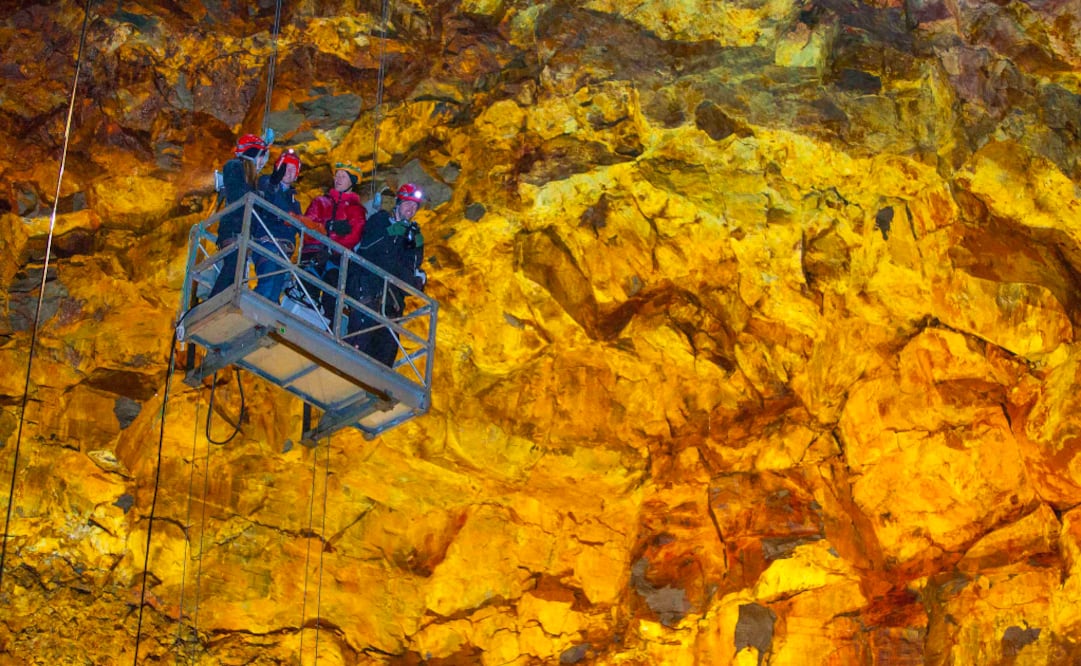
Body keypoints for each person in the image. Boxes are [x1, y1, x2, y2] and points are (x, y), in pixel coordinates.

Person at [345, 182, 427, 366]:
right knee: (360, 340)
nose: (411, 209)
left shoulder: (414, 238)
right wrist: (392, 233)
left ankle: (373, 390)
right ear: (398, 204)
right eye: (407, 204)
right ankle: (347, 371)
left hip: (392, 303)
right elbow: (371, 251)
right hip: (368, 292)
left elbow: (412, 281)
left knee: (386, 351)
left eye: (414, 206)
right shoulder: (379, 221)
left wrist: (412, 276)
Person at [295, 162, 367, 319]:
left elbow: (354, 236)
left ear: (352, 182)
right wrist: (328, 226)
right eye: (337, 175)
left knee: (332, 297)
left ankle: (328, 327)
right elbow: (308, 224)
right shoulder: (320, 201)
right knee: (306, 291)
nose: (338, 179)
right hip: (313, 252)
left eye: (343, 176)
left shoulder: (356, 210)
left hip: (336, 259)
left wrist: (332, 248)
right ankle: (303, 319)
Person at [208, 133, 268, 298]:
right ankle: (213, 303)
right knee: (232, 270)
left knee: (237, 274)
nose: (262, 162)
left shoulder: (250, 178)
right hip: (233, 231)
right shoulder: (234, 166)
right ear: (253, 153)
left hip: (241, 232)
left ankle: (221, 303)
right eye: (261, 156)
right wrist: (258, 196)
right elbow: (237, 194)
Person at [251, 148, 303, 303]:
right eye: (285, 167)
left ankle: (264, 320)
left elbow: (298, 225)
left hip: (284, 248)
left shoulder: (295, 201)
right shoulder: (266, 182)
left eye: (293, 169)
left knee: (275, 288)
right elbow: (271, 199)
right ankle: (256, 311)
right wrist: (291, 216)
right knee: (269, 281)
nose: (289, 171)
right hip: (267, 240)